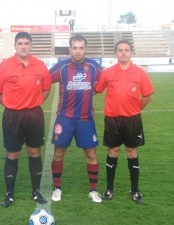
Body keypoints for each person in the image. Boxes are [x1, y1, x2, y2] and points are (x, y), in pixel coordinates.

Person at [0, 31, 52, 207]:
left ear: (31, 45)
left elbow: (46, 89)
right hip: (12, 116)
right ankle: (9, 194)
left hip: (34, 115)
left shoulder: (40, 66)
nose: (23, 46)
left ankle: (36, 191)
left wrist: (36, 102)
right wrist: (11, 105)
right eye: (20, 43)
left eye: (26, 43)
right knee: (13, 154)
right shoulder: (4, 66)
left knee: (34, 153)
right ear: (15, 46)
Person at [95, 40, 154, 204]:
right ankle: (109, 189)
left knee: (132, 152)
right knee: (112, 151)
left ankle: (135, 191)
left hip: (132, 119)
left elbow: (147, 96)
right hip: (112, 119)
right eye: (120, 50)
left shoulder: (140, 73)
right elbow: (97, 90)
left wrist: (135, 109)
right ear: (116, 53)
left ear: (131, 53)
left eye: (126, 50)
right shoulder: (108, 73)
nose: (123, 53)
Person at [50, 35, 102, 203]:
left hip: (86, 118)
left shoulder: (94, 66)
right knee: (59, 152)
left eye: (81, 48)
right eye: (75, 47)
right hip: (64, 117)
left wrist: (94, 91)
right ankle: (57, 188)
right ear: (69, 49)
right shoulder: (61, 66)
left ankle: (93, 190)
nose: (78, 51)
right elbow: (44, 80)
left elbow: (106, 81)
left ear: (85, 49)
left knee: (91, 153)